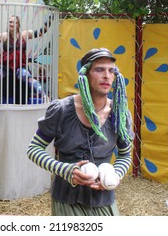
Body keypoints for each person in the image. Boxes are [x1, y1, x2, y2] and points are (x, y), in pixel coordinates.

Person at [27, 48, 134, 216]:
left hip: (103, 198)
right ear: (85, 74)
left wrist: (114, 175)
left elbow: (125, 155)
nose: (107, 75)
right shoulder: (61, 110)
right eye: (99, 69)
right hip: (66, 199)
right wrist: (66, 170)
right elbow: (33, 150)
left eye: (111, 71)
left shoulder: (119, 114)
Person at [0, 14, 49, 102]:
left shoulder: (24, 34)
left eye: (14, 22)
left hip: (19, 65)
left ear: (18, 25)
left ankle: (45, 97)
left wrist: (49, 19)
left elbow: (42, 32)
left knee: (27, 77)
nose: (11, 24)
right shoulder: (4, 36)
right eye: (10, 22)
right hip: (4, 65)